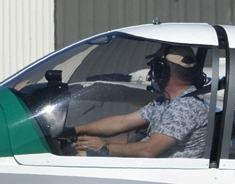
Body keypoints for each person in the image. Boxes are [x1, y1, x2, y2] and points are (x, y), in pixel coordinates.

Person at [73, 45, 211, 158]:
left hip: (164, 181)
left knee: (83, 157)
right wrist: (75, 131)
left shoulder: (185, 107)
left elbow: (149, 150)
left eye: (155, 66)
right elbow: (121, 122)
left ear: (162, 70)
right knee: (82, 153)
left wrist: (103, 147)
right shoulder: (164, 102)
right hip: (150, 174)